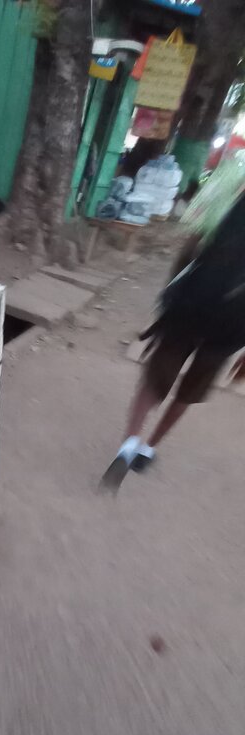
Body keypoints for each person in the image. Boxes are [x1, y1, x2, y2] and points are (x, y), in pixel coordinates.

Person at [101, 162, 245, 491]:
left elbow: (193, 241)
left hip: (194, 299)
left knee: (158, 374)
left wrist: (171, 293)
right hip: (235, 322)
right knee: (193, 386)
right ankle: (148, 449)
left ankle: (129, 444)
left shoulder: (235, 172)